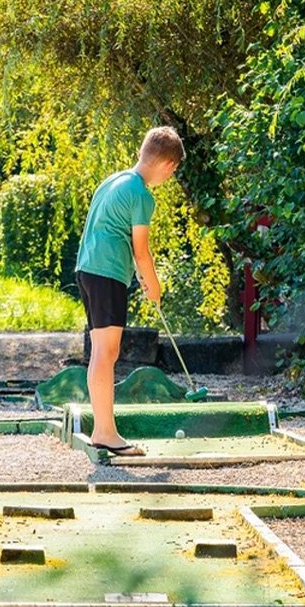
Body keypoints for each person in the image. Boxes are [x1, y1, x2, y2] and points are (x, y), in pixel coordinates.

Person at [75, 126, 185, 456]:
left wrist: (141, 277)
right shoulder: (141, 194)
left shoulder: (114, 180)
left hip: (88, 269)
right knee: (106, 354)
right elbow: (141, 250)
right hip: (106, 274)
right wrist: (155, 285)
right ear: (169, 165)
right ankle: (105, 433)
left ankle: (102, 430)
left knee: (101, 353)